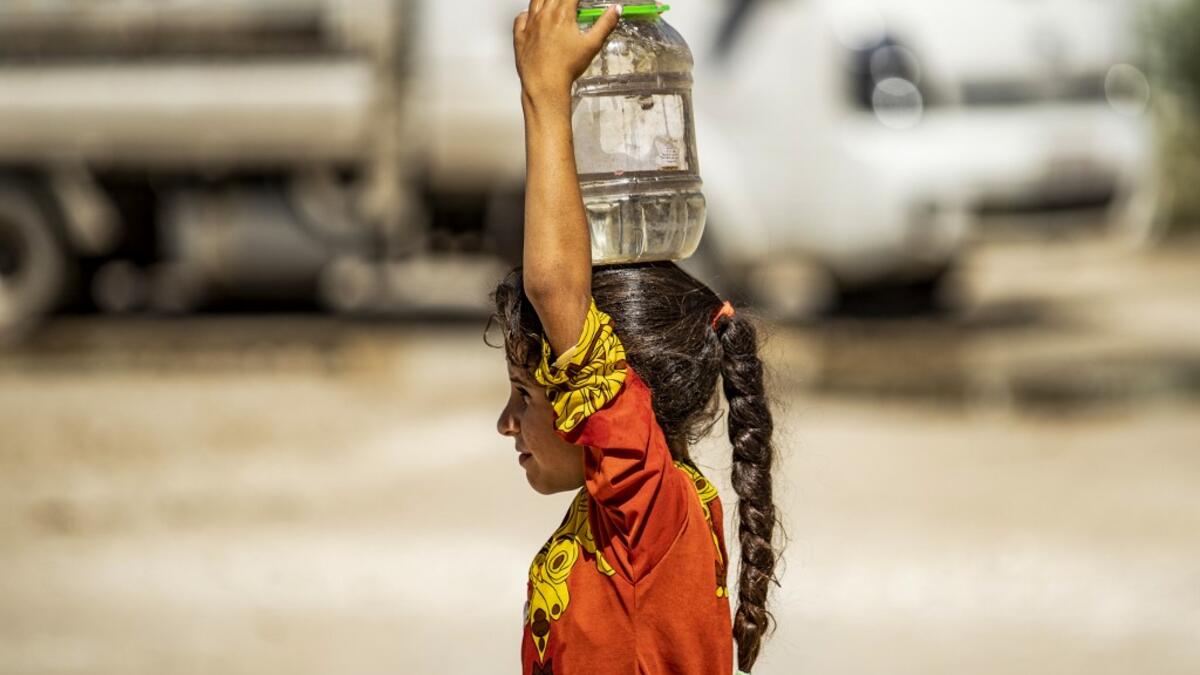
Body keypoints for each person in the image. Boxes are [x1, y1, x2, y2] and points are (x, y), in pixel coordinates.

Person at [491, 1, 780, 672]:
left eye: (526, 393)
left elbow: (557, 288)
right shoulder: (630, 513)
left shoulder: (649, 515)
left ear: (601, 399)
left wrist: (544, 89)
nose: (506, 423)